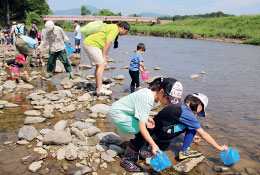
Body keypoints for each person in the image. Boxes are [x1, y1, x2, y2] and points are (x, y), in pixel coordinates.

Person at [109, 77, 183, 172]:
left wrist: (146, 118)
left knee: (147, 129)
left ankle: (137, 150)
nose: (169, 104)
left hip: (123, 111)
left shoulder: (148, 93)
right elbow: (141, 126)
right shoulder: (147, 99)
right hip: (119, 114)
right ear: (161, 91)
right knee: (143, 132)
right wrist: (153, 145)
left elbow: (136, 106)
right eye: (169, 100)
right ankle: (127, 160)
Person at [138, 93, 228, 163]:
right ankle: (184, 152)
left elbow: (174, 121)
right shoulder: (188, 114)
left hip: (154, 130)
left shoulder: (180, 106)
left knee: (191, 124)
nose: (198, 112)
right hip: (163, 134)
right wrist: (219, 147)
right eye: (202, 108)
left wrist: (189, 135)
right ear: (199, 104)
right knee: (193, 126)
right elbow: (204, 134)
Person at [83, 22, 130, 95]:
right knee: (101, 64)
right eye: (126, 32)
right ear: (122, 28)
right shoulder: (115, 29)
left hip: (91, 43)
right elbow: (108, 42)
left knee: (99, 65)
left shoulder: (112, 26)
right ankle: (99, 89)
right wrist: (104, 56)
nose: (125, 34)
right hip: (92, 44)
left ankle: (99, 85)